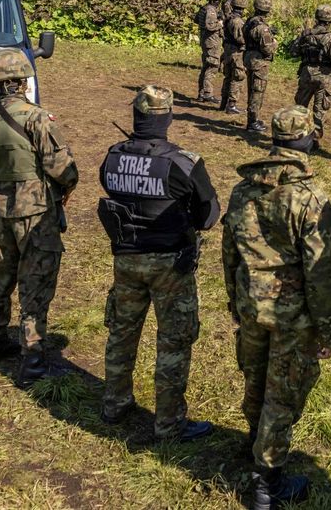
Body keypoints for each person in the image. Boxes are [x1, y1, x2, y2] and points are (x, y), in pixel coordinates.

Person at [221, 105, 331, 509]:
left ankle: (255, 443)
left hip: (250, 301)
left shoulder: (242, 190)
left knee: (255, 377)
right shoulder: (309, 198)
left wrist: (233, 301)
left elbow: (230, 251)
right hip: (292, 313)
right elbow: (320, 272)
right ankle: (266, 483)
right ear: (306, 141)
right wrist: (328, 329)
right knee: (282, 393)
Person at [97, 84, 220, 440]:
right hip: (171, 264)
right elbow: (209, 215)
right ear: (168, 117)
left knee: (121, 333)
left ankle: (114, 405)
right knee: (173, 342)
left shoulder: (113, 156)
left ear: (136, 116)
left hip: (126, 258)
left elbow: (108, 185)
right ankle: (169, 423)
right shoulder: (183, 162)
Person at [0, 48, 79, 385]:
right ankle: (32, 356)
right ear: (22, 79)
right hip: (37, 212)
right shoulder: (37, 118)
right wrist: (69, 183)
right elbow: (60, 166)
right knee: (36, 279)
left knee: (1, 273)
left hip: (1, 208)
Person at [294, 4, 331, 147]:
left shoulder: (305, 34)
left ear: (316, 18)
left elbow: (293, 51)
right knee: (320, 109)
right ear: (330, 21)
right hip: (324, 77)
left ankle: (297, 136)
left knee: (300, 106)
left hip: (306, 74)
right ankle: (314, 140)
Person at [244, 0, 277, 133]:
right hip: (259, 61)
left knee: (251, 89)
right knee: (257, 92)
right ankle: (252, 122)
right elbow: (267, 48)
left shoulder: (250, 22)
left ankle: (252, 119)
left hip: (249, 58)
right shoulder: (262, 27)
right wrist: (274, 42)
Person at [194, 0, 225, 103]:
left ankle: (202, 93)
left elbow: (196, 19)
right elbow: (210, 26)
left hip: (205, 40)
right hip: (211, 41)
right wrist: (220, 24)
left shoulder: (204, 8)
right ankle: (207, 93)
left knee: (206, 66)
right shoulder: (211, 11)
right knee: (212, 66)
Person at [220, 0, 247, 116]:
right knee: (237, 77)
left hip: (228, 50)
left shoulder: (229, 18)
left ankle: (223, 102)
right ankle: (231, 105)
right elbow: (241, 39)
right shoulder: (237, 21)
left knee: (228, 76)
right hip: (236, 52)